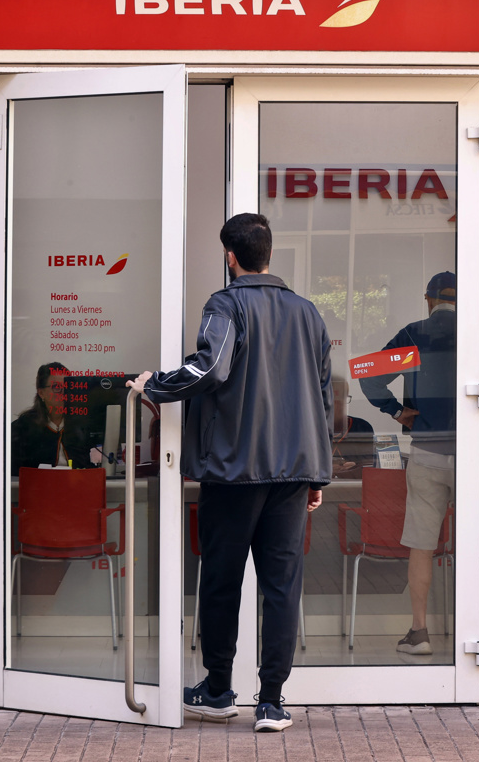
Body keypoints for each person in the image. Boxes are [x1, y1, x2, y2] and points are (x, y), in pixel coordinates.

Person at [128, 213, 332, 733]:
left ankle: (218, 690)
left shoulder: (226, 304)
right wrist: (316, 475)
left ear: (230, 256)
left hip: (234, 471)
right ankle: (272, 702)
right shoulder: (309, 313)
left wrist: (155, 385)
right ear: (268, 254)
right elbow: (322, 394)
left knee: (221, 581)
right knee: (281, 586)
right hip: (291, 473)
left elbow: (211, 367)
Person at [360, 271, 479, 655]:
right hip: (472, 455)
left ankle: (419, 634)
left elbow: (369, 376)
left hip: (428, 452)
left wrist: (397, 410)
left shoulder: (415, 336)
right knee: (476, 542)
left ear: (428, 298)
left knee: (422, 545)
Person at [10, 362, 95, 475]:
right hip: (38, 489)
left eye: (67, 386)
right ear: (41, 393)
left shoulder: (82, 424)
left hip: (76, 488)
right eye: (56, 387)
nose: (64, 392)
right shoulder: (23, 427)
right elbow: (14, 473)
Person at [331, 377, 376, 479]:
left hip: (352, 487)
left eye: (343, 399)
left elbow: (369, 464)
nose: (338, 404)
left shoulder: (362, 427)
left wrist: (355, 466)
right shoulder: (307, 429)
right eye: (333, 399)